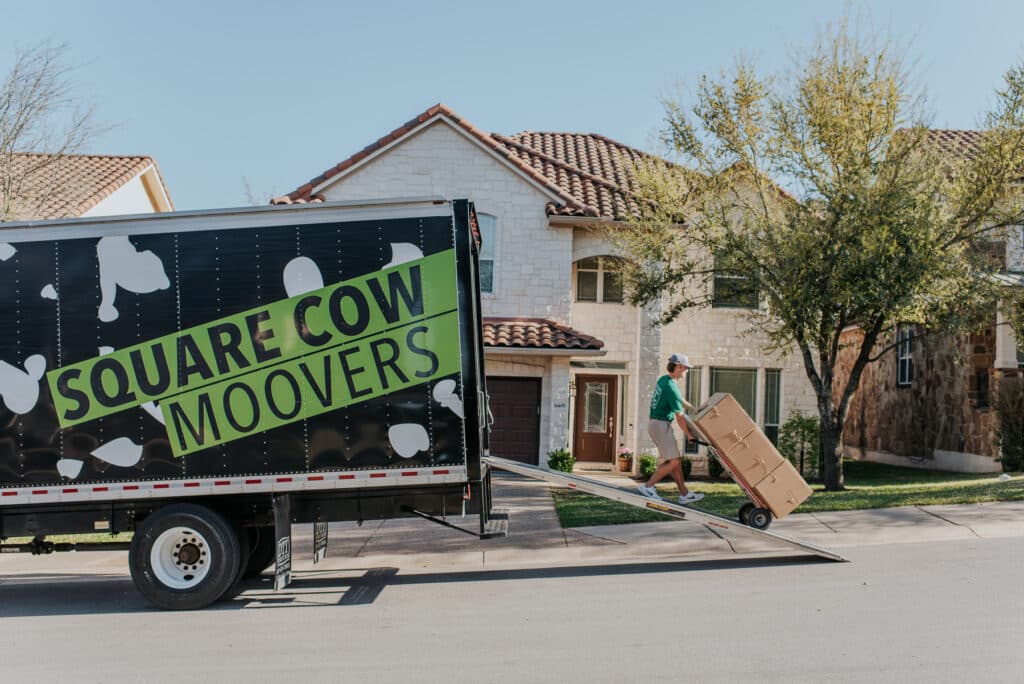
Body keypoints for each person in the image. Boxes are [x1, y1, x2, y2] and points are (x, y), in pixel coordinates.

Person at [637, 353, 705, 505]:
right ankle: (648, 486)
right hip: (661, 425)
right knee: (674, 461)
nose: (687, 371)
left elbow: (679, 399)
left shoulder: (665, 380)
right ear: (679, 366)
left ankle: (684, 494)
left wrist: (694, 409)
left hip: (656, 424)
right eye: (686, 368)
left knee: (675, 462)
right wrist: (689, 435)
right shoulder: (670, 387)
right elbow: (679, 417)